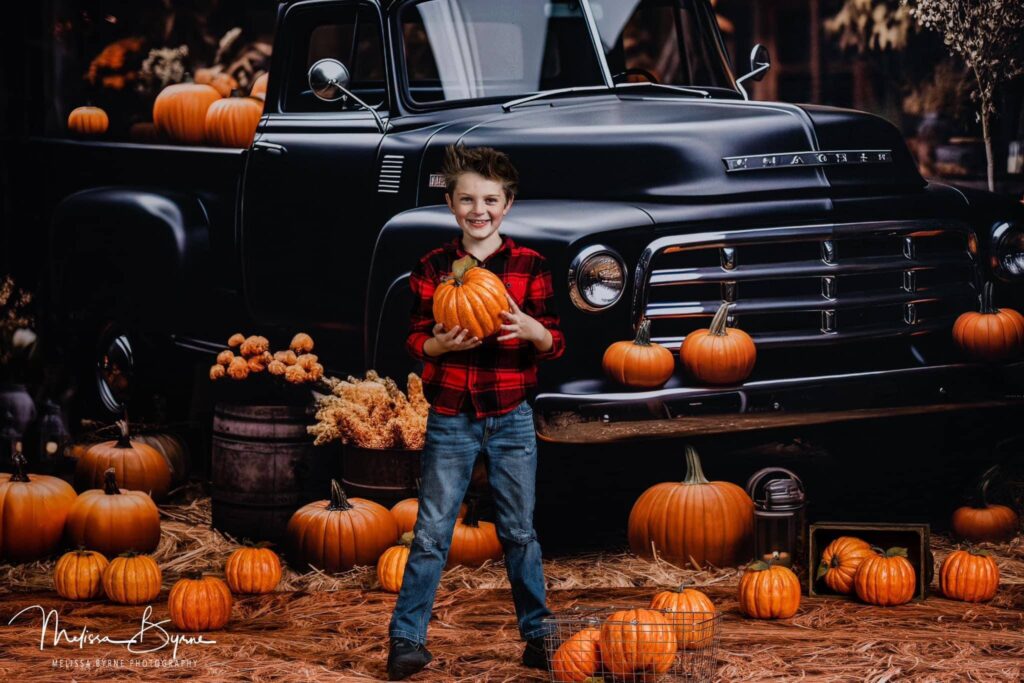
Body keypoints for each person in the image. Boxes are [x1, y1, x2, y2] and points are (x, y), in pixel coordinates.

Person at [386, 144, 565, 681]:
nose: (478, 209)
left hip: (511, 415)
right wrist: (439, 345)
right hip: (451, 415)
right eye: (467, 199)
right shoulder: (434, 268)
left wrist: (535, 333)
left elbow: (553, 339)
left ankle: (538, 636)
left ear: (507, 204)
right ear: (451, 203)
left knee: (519, 531)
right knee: (432, 531)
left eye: (490, 199)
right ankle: (406, 641)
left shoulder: (531, 266)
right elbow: (416, 339)